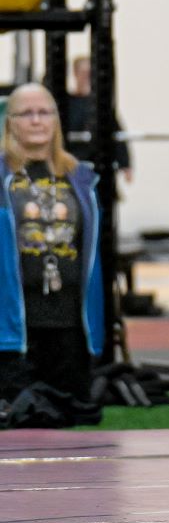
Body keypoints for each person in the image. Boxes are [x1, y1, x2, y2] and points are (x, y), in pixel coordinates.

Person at [0, 83, 105, 413]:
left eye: (44, 112)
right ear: (10, 122)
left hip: (68, 319)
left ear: (56, 120)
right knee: (21, 417)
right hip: (14, 324)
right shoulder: (2, 176)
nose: (36, 120)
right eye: (26, 113)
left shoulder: (81, 178)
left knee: (74, 415)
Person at [65, 56, 133, 183]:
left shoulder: (101, 104)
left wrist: (125, 165)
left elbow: (117, 132)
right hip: (72, 163)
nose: (87, 77)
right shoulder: (66, 103)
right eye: (83, 73)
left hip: (97, 165)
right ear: (75, 74)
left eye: (90, 74)